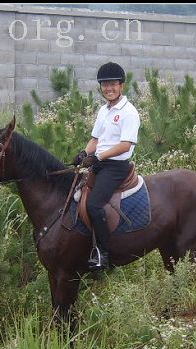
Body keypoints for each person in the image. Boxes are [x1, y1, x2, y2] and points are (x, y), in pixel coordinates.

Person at [73, 62, 141, 271]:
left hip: (115, 167)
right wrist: (84, 153)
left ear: (122, 86)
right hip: (100, 163)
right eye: (104, 84)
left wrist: (98, 157)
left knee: (94, 204)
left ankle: (103, 254)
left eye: (112, 84)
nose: (108, 88)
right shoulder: (104, 110)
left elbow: (125, 145)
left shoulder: (129, 112)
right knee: (74, 192)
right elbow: (95, 139)